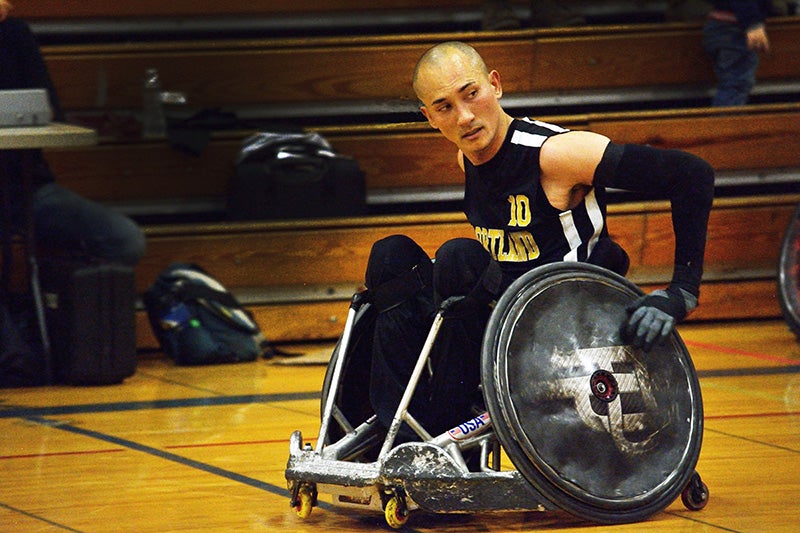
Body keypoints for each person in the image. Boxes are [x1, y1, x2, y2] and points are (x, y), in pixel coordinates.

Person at [356, 41, 714, 440]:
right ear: (429, 118)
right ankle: (397, 431)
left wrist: (682, 290)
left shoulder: (555, 154)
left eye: (471, 94)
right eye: (445, 107)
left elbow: (692, 174)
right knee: (391, 256)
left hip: (562, 329)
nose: (465, 116)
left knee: (458, 257)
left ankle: (442, 426)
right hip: (500, 325)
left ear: (495, 85)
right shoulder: (467, 159)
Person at [0, 2, 146, 267]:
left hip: (25, 193)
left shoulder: (12, 35)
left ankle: (56, 303)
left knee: (124, 239)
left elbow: (49, 110)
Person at [702, 1, 772, 106]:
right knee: (736, 85)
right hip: (733, 27)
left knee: (733, 83)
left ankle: (728, 118)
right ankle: (726, 121)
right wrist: (753, 24)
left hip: (722, 25)